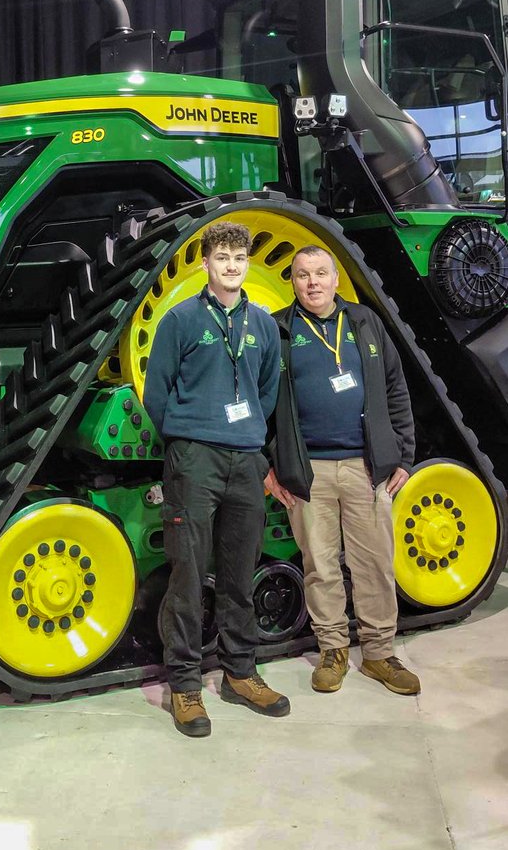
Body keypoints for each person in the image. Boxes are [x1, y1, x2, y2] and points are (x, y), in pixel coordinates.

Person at [144, 221, 289, 738]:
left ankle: (240, 673)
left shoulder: (264, 325)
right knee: (186, 576)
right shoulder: (180, 320)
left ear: (247, 263)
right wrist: (187, 439)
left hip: (247, 460)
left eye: (239, 257)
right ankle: (184, 685)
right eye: (222, 256)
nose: (231, 265)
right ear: (205, 262)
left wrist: (248, 431)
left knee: (238, 573)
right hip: (195, 459)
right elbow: (156, 393)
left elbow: (267, 389)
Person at [265, 245, 420, 695]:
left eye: (320, 273)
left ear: (336, 279)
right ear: (291, 282)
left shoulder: (364, 323)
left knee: (374, 563)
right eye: (302, 275)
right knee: (321, 565)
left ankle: (379, 653)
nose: (312, 282)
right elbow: (259, 406)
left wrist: (404, 455)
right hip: (308, 471)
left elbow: (395, 388)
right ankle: (332, 649)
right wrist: (269, 466)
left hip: (364, 466)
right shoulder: (278, 330)